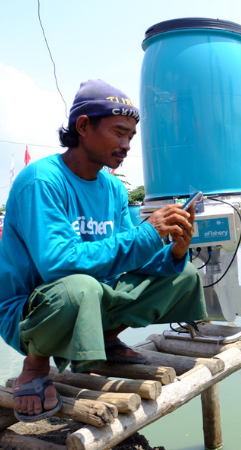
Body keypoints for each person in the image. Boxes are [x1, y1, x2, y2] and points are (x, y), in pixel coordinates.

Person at [0, 80, 207, 422]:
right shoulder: (42, 181)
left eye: (131, 137)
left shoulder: (112, 188)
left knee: (182, 273)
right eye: (119, 133)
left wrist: (172, 250)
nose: (126, 145)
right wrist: (146, 234)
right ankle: (35, 367)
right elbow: (58, 265)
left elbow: (132, 254)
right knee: (80, 286)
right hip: (33, 312)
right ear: (83, 126)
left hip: (92, 299)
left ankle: (106, 340)